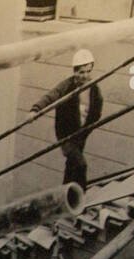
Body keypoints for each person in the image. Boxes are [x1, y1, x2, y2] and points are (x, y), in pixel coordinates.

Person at [31, 49, 103, 189]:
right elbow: (51, 96)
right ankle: (80, 198)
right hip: (66, 135)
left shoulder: (94, 88)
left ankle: (65, 194)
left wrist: (89, 127)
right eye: (81, 72)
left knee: (72, 165)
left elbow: (97, 109)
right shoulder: (67, 86)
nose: (85, 76)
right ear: (75, 71)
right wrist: (36, 109)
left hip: (82, 133)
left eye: (88, 71)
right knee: (81, 165)